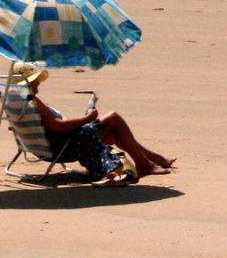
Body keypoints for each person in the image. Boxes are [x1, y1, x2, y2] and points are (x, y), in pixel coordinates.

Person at [12, 62, 175, 184]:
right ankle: (145, 163)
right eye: (35, 80)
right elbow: (57, 126)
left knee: (112, 130)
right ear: (29, 82)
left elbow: (54, 126)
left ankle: (150, 159)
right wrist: (86, 119)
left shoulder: (14, 100)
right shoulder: (32, 101)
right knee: (113, 119)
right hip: (64, 147)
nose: (39, 83)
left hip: (50, 145)